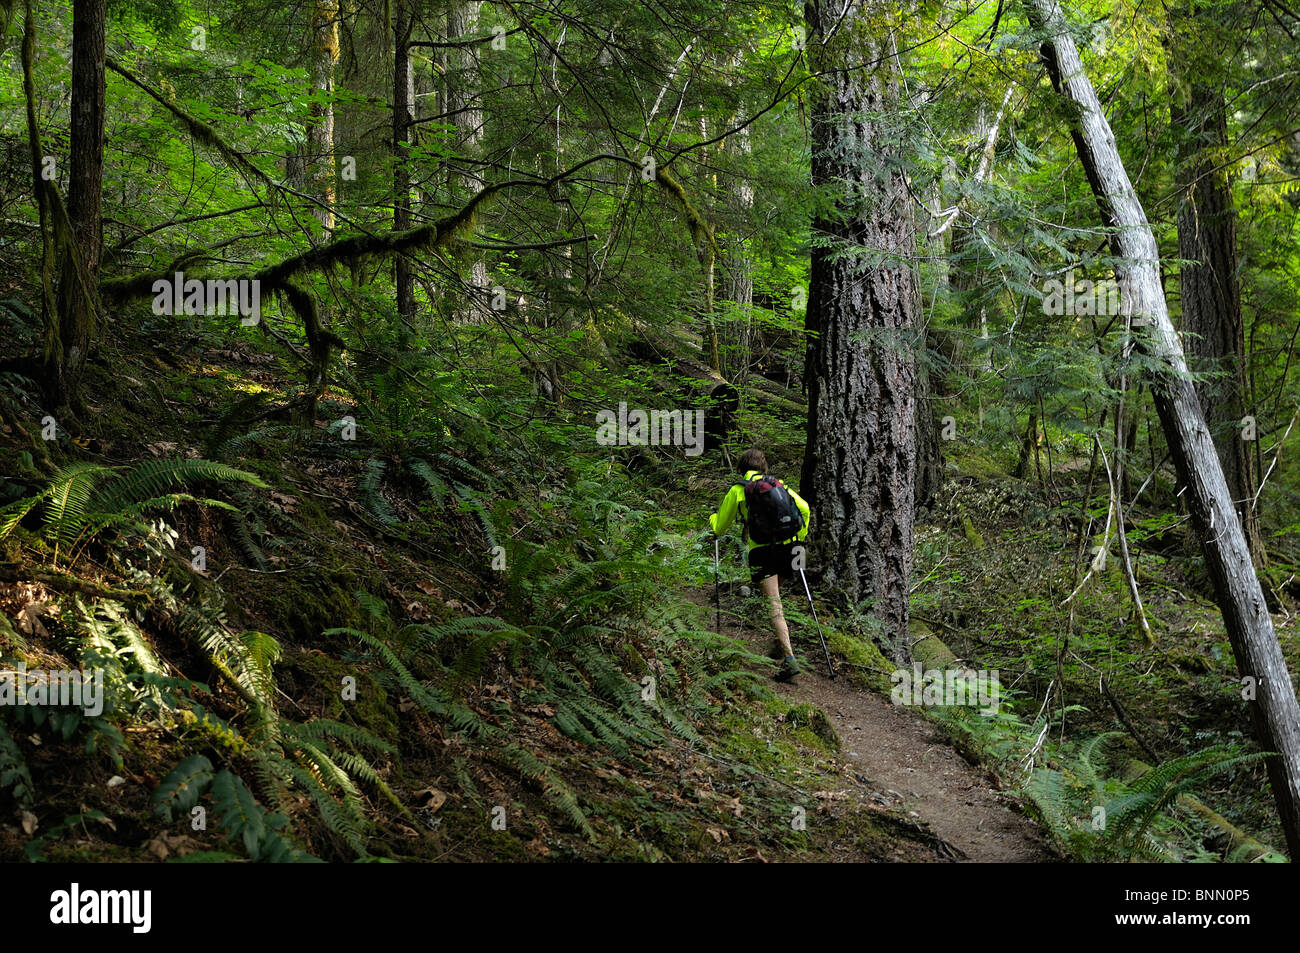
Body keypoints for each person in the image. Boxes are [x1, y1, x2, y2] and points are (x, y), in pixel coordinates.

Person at [709, 448, 810, 682]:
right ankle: (779, 643)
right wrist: (800, 536)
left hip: (762, 551)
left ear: (742, 468)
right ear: (763, 467)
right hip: (792, 548)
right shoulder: (779, 484)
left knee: (774, 605)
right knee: (777, 599)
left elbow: (720, 528)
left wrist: (713, 518)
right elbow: (804, 508)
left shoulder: (738, 490)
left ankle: (789, 660)